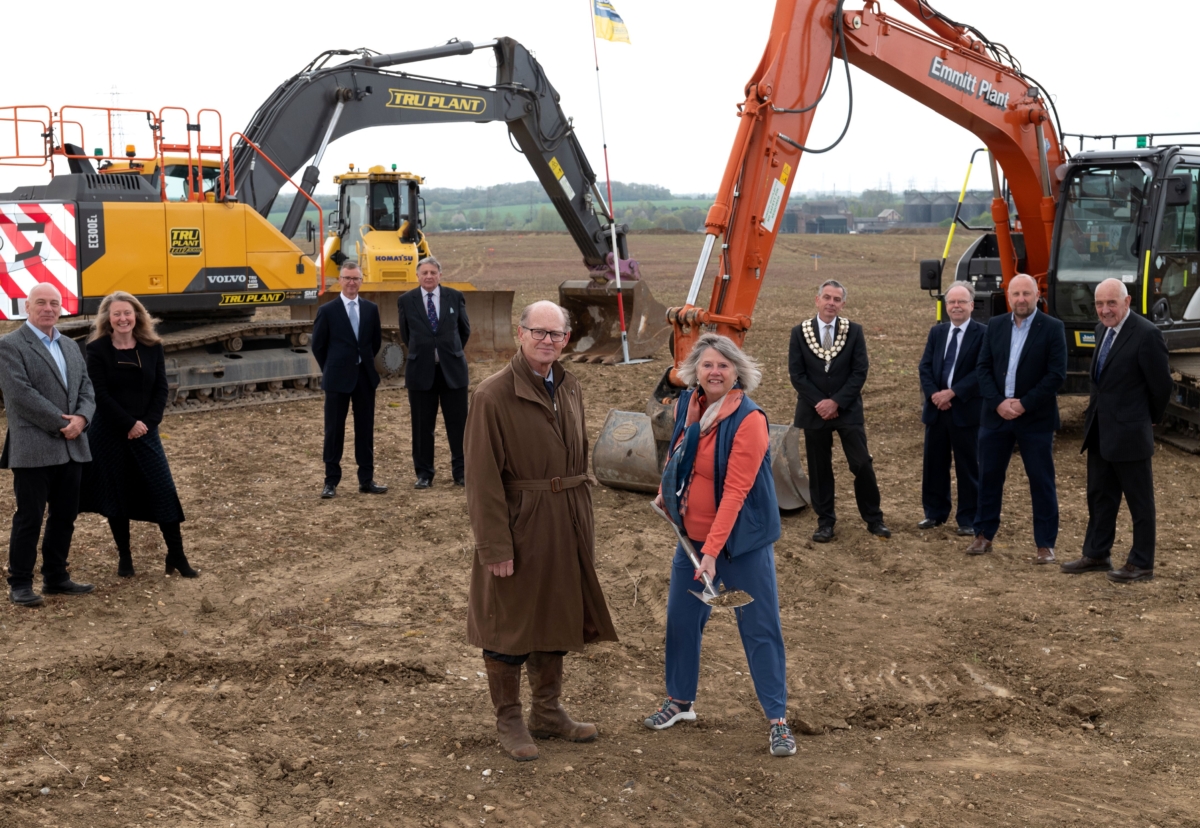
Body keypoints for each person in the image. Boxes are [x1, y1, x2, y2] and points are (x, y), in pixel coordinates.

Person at [463, 300, 617, 762]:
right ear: (521, 332)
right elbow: (482, 479)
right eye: (539, 332)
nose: (547, 341)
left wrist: (579, 520)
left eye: (556, 334)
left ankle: (547, 712)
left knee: (555, 613)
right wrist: (495, 545)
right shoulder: (492, 395)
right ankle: (509, 718)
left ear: (566, 340)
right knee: (509, 622)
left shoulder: (569, 386)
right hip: (520, 521)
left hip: (566, 519)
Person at [644, 333, 795, 758]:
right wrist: (666, 492)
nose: (715, 372)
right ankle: (680, 702)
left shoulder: (749, 420)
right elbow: (678, 456)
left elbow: (736, 491)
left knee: (759, 627)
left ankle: (777, 720)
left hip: (739, 545)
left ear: (737, 372)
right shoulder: (689, 407)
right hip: (692, 540)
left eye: (724, 366)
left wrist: (711, 553)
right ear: (696, 370)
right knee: (682, 620)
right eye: (708, 365)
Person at [1060, 278, 1172, 583]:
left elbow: (1162, 386)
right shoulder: (1101, 331)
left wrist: (1145, 419)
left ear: (1127, 301)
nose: (1105, 309)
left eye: (1111, 303)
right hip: (1099, 431)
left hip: (1130, 433)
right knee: (1100, 496)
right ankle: (1097, 553)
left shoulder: (1147, 334)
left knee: (1140, 502)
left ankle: (1141, 563)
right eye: (1099, 303)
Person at [80, 292, 196, 578]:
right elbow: (100, 394)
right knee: (116, 494)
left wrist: (147, 423)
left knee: (163, 491)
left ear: (137, 316)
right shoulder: (97, 349)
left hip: (145, 432)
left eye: (127, 313)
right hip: (109, 432)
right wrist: (128, 423)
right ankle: (125, 557)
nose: (122, 318)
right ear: (108, 318)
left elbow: (161, 389)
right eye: (116, 313)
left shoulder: (152, 346)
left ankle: (177, 556)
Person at [0, 283, 96, 607]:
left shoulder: (70, 345)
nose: (48, 308)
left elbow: (86, 389)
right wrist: (64, 423)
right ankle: (20, 583)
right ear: (26, 307)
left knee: (65, 515)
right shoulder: (9, 345)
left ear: (61, 308)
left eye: (54, 303)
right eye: (40, 302)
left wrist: (81, 419)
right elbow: (20, 395)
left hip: (72, 446)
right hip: (33, 447)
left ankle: (56, 577)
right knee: (30, 516)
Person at [970, 273, 1067, 563]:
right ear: (1008, 296)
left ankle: (1045, 544)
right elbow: (983, 369)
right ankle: (983, 534)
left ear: (1037, 295)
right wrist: (999, 403)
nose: (1021, 299)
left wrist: (1023, 404)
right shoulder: (996, 326)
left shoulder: (1052, 328)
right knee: (988, 477)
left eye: (1027, 293)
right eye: (1016, 294)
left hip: (1034, 419)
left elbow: (1056, 375)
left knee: (1041, 481)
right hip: (995, 417)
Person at [788, 279, 890, 543]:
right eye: (827, 297)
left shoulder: (853, 331)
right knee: (820, 469)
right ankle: (825, 523)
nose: (831, 303)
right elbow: (797, 374)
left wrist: (837, 402)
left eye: (836, 299)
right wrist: (820, 403)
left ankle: (874, 519)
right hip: (813, 412)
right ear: (817, 299)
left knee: (861, 463)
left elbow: (859, 371)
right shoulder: (800, 332)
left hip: (847, 410)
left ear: (843, 304)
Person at [312, 261, 387, 499]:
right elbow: (318, 346)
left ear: (361, 281)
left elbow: (374, 343)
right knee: (334, 431)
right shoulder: (327, 311)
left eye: (356, 278)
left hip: (364, 378)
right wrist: (333, 367)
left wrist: (360, 362)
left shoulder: (370, 309)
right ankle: (330, 481)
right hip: (337, 380)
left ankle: (366, 480)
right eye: (347, 278)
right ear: (340, 280)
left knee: (365, 431)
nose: (351, 283)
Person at [917, 281, 984, 535]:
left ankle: (968, 518)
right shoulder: (937, 332)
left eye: (961, 302)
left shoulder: (983, 334)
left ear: (971, 305)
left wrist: (953, 392)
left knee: (968, 467)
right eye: (952, 302)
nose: (956, 306)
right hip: (937, 410)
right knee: (934, 464)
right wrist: (934, 394)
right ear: (947, 307)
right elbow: (925, 366)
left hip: (965, 411)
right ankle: (934, 513)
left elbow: (982, 371)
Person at [398, 256, 471, 489]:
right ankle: (424, 474)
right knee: (422, 427)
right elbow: (406, 335)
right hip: (421, 372)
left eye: (433, 272)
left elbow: (464, 331)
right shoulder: (406, 300)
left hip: (453, 372)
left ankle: (461, 472)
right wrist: (427, 352)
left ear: (440, 275)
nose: (428, 276)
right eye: (424, 273)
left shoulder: (455, 297)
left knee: (458, 426)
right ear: (417, 276)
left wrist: (449, 352)